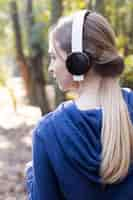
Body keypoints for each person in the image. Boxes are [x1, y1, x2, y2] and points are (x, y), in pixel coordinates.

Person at [25, 9, 133, 200]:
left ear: (78, 62)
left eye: (53, 57)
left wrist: (33, 176)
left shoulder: (47, 132)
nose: (50, 68)